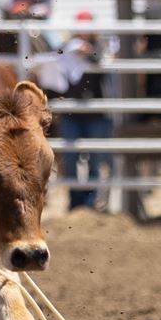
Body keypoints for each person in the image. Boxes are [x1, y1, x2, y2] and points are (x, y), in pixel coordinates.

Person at [28, 11, 111, 212]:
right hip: (72, 113)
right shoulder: (66, 48)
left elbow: (103, 64)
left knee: (94, 159)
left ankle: (90, 202)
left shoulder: (99, 47)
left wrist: (88, 53)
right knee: (72, 158)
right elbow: (53, 61)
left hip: (95, 112)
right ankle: (76, 201)